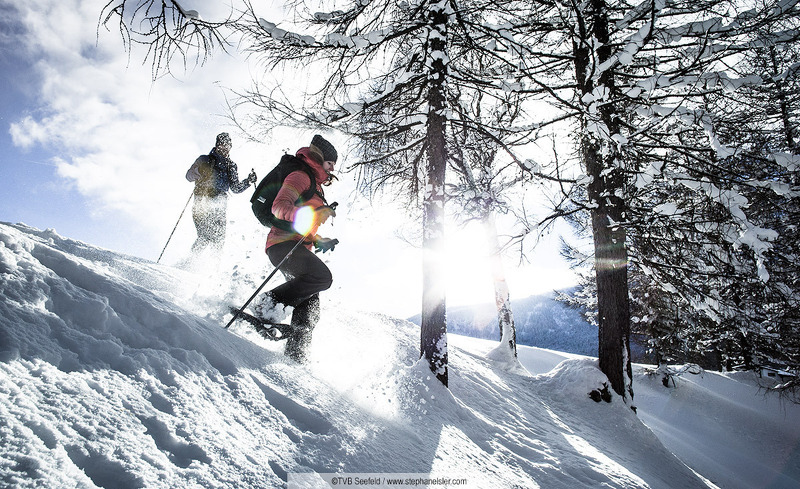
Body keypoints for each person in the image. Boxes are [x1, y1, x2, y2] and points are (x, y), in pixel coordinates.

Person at [254, 134, 339, 363]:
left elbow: (304, 224)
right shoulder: (300, 176)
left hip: (297, 246)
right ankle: (266, 305)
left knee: (310, 308)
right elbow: (279, 207)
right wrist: (313, 215)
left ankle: (296, 358)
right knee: (322, 277)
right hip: (282, 244)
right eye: (330, 163)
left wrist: (319, 239)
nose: (332, 169)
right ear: (321, 159)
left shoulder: (315, 186)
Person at [186, 132, 256, 253]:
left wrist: (248, 181)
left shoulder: (231, 166)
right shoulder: (204, 159)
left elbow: (235, 188)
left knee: (219, 239)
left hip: (220, 204)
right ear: (217, 145)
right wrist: (200, 170)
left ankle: (213, 267)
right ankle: (192, 262)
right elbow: (188, 176)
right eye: (223, 145)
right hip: (202, 201)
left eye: (228, 146)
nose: (225, 148)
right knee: (205, 236)